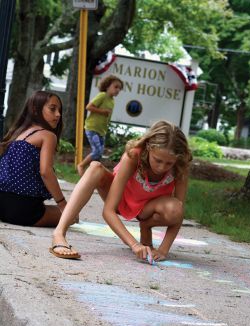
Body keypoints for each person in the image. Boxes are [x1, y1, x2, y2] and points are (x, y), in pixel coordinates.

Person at [50, 120, 192, 261]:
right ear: (148, 147)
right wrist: (134, 244)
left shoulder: (180, 166)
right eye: (158, 160)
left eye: (168, 163)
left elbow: (178, 215)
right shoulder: (133, 156)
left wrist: (163, 250)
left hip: (148, 209)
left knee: (175, 209)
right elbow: (108, 211)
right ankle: (59, 233)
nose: (162, 167)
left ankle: (146, 225)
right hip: (121, 201)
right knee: (95, 168)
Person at [0, 90, 68, 228]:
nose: (58, 114)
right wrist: (62, 204)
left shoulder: (17, 133)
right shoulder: (48, 135)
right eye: (52, 109)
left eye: (59, 110)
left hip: (1, 205)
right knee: (72, 215)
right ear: (35, 110)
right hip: (23, 210)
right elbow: (45, 172)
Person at [77, 74, 123, 177]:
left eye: (119, 88)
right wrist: (102, 111)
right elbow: (89, 107)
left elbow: (107, 116)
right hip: (92, 128)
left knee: (99, 154)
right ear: (107, 86)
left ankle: (92, 174)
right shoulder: (102, 95)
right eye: (115, 87)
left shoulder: (112, 101)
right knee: (97, 151)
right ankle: (81, 165)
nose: (118, 90)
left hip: (101, 131)